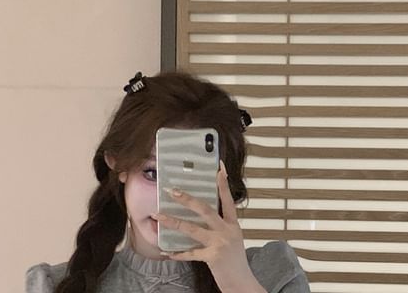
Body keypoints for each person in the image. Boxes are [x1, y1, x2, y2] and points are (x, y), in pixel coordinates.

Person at [25, 70, 310, 293]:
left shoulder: (272, 273)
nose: (172, 197)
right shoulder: (54, 285)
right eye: (152, 173)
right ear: (118, 164)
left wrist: (239, 285)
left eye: (194, 178)